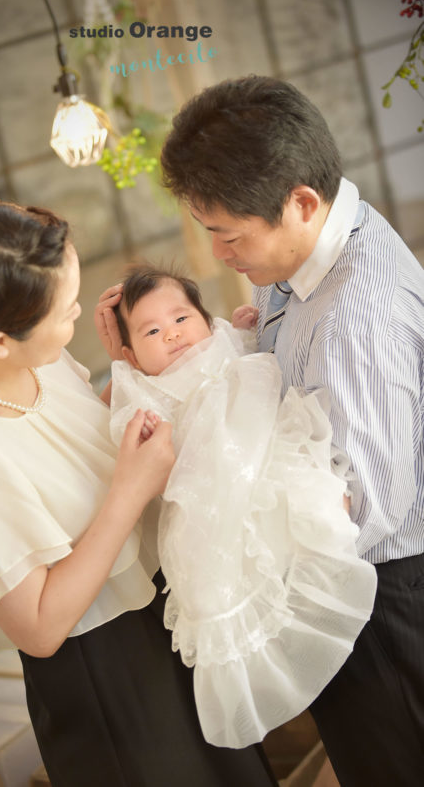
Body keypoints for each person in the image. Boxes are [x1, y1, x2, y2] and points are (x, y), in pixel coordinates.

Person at [0, 201, 279, 787]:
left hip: (166, 622)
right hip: (111, 681)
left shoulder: (39, 361)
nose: (79, 315)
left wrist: (130, 369)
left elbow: (80, 455)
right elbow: (37, 626)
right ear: (1, 341)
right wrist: (129, 494)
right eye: (65, 311)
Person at [155, 75, 424, 785]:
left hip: (384, 596)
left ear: (301, 202)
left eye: (227, 235)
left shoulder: (356, 313)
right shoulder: (295, 258)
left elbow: (360, 506)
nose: (218, 255)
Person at [103, 262, 376, 750]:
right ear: (130, 355)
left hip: (263, 461)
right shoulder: (142, 389)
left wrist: (248, 332)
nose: (173, 335)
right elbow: (126, 423)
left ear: (205, 319)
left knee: (304, 501)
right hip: (209, 495)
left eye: (182, 318)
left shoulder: (228, 340)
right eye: (152, 330)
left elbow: (254, 355)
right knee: (220, 573)